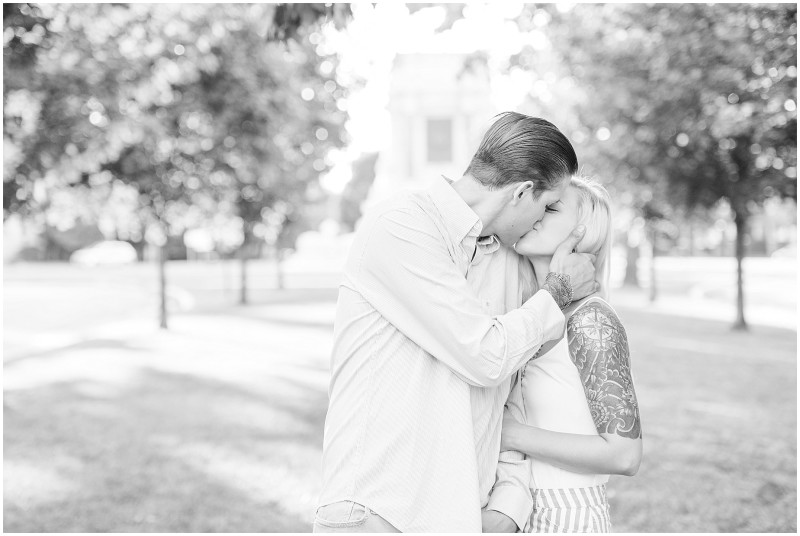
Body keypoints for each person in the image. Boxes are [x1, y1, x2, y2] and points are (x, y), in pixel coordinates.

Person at [314, 113, 598, 533]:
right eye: (547, 205)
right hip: (377, 515)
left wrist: (508, 504)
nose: (541, 220)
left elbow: (513, 390)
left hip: (461, 518)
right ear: (522, 192)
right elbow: (485, 355)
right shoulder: (399, 226)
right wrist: (556, 291)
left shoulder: (506, 260)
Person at [489, 175, 643, 533]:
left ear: (583, 231)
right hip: (516, 508)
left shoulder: (592, 319)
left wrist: (509, 434)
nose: (535, 213)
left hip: (567, 513)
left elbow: (625, 455)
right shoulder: (529, 314)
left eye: (551, 207)